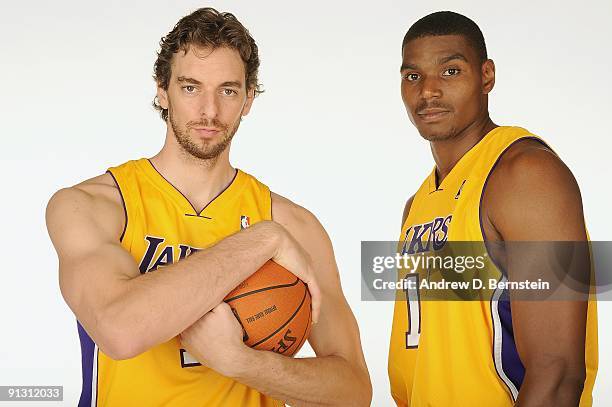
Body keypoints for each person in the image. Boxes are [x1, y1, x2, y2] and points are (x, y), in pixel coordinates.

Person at [46, 7, 371, 406]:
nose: (210, 111)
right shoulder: (93, 206)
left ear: (249, 98)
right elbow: (119, 330)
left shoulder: (295, 225)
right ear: (162, 90)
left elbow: (353, 392)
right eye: (190, 87)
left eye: (228, 90)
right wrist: (261, 240)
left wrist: (241, 363)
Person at [387, 11, 597, 406]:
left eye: (450, 71)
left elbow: (557, 374)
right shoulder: (417, 205)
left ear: (487, 76)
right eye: (413, 76)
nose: (428, 91)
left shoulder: (526, 175)